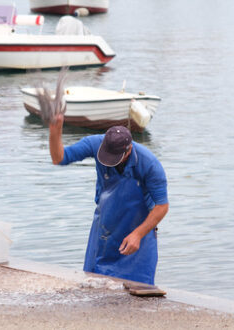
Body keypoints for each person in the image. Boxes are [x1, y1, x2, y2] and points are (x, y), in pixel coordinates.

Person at [49, 114, 169, 285]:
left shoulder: (149, 164)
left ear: (128, 151)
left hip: (137, 233)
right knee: (94, 288)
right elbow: (59, 158)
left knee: (138, 293)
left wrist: (138, 234)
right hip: (104, 228)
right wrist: (55, 131)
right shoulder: (96, 143)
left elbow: (162, 206)